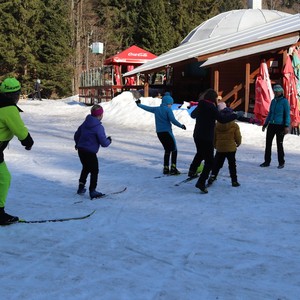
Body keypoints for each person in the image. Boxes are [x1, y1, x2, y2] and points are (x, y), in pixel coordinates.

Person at [188, 88, 238, 194]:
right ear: (213, 98)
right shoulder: (212, 107)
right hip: (207, 136)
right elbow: (222, 120)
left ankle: (192, 170)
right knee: (210, 161)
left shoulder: (201, 105)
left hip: (197, 135)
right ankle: (201, 182)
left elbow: (192, 115)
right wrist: (233, 116)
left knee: (201, 153)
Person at [0, 77, 34, 225]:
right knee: (4, 178)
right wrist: (28, 141)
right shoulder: (8, 108)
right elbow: (20, 130)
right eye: (16, 95)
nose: (17, 98)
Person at [135, 92, 186, 175]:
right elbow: (173, 120)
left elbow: (147, 108)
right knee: (174, 149)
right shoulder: (168, 110)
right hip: (167, 132)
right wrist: (181, 126)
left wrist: (139, 105)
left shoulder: (157, 109)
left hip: (159, 133)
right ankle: (173, 168)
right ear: (168, 103)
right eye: (170, 104)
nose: (171, 105)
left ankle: (166, 168)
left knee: (167, 149)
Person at [74, 104, 111, 199]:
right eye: (102, 114)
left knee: (86, 168)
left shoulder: (85, 123)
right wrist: (109, 141)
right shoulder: (98, 127)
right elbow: (103, 143)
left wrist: (77, 143)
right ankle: (92, 191)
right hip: (90, 152)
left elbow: (77, 134)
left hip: (81, 150)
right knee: (94, 170)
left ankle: (81, 188)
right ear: (99, 115)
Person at [208, 107, 242, 187]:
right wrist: (238, 143)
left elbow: (214, 137)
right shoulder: (234, 125)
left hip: (220, 148)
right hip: (231, 148)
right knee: (232, 165)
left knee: (217, 164)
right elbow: (238, 136)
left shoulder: (217, 125)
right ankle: (234, 181)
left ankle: (212, 177)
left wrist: (215, 145)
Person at [260, 84, 290, 169]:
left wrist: (286, 126)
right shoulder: (273, 101)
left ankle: (281, 162)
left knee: (279, 144)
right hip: (271, 125)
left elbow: (287, 114)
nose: (276, 93)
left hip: (280, 125)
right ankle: (267, 161)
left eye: (277, 91)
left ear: (281, 92)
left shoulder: (284, 101)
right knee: (268, 144)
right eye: (275, 91)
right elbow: (270, 113)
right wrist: (265, 124)